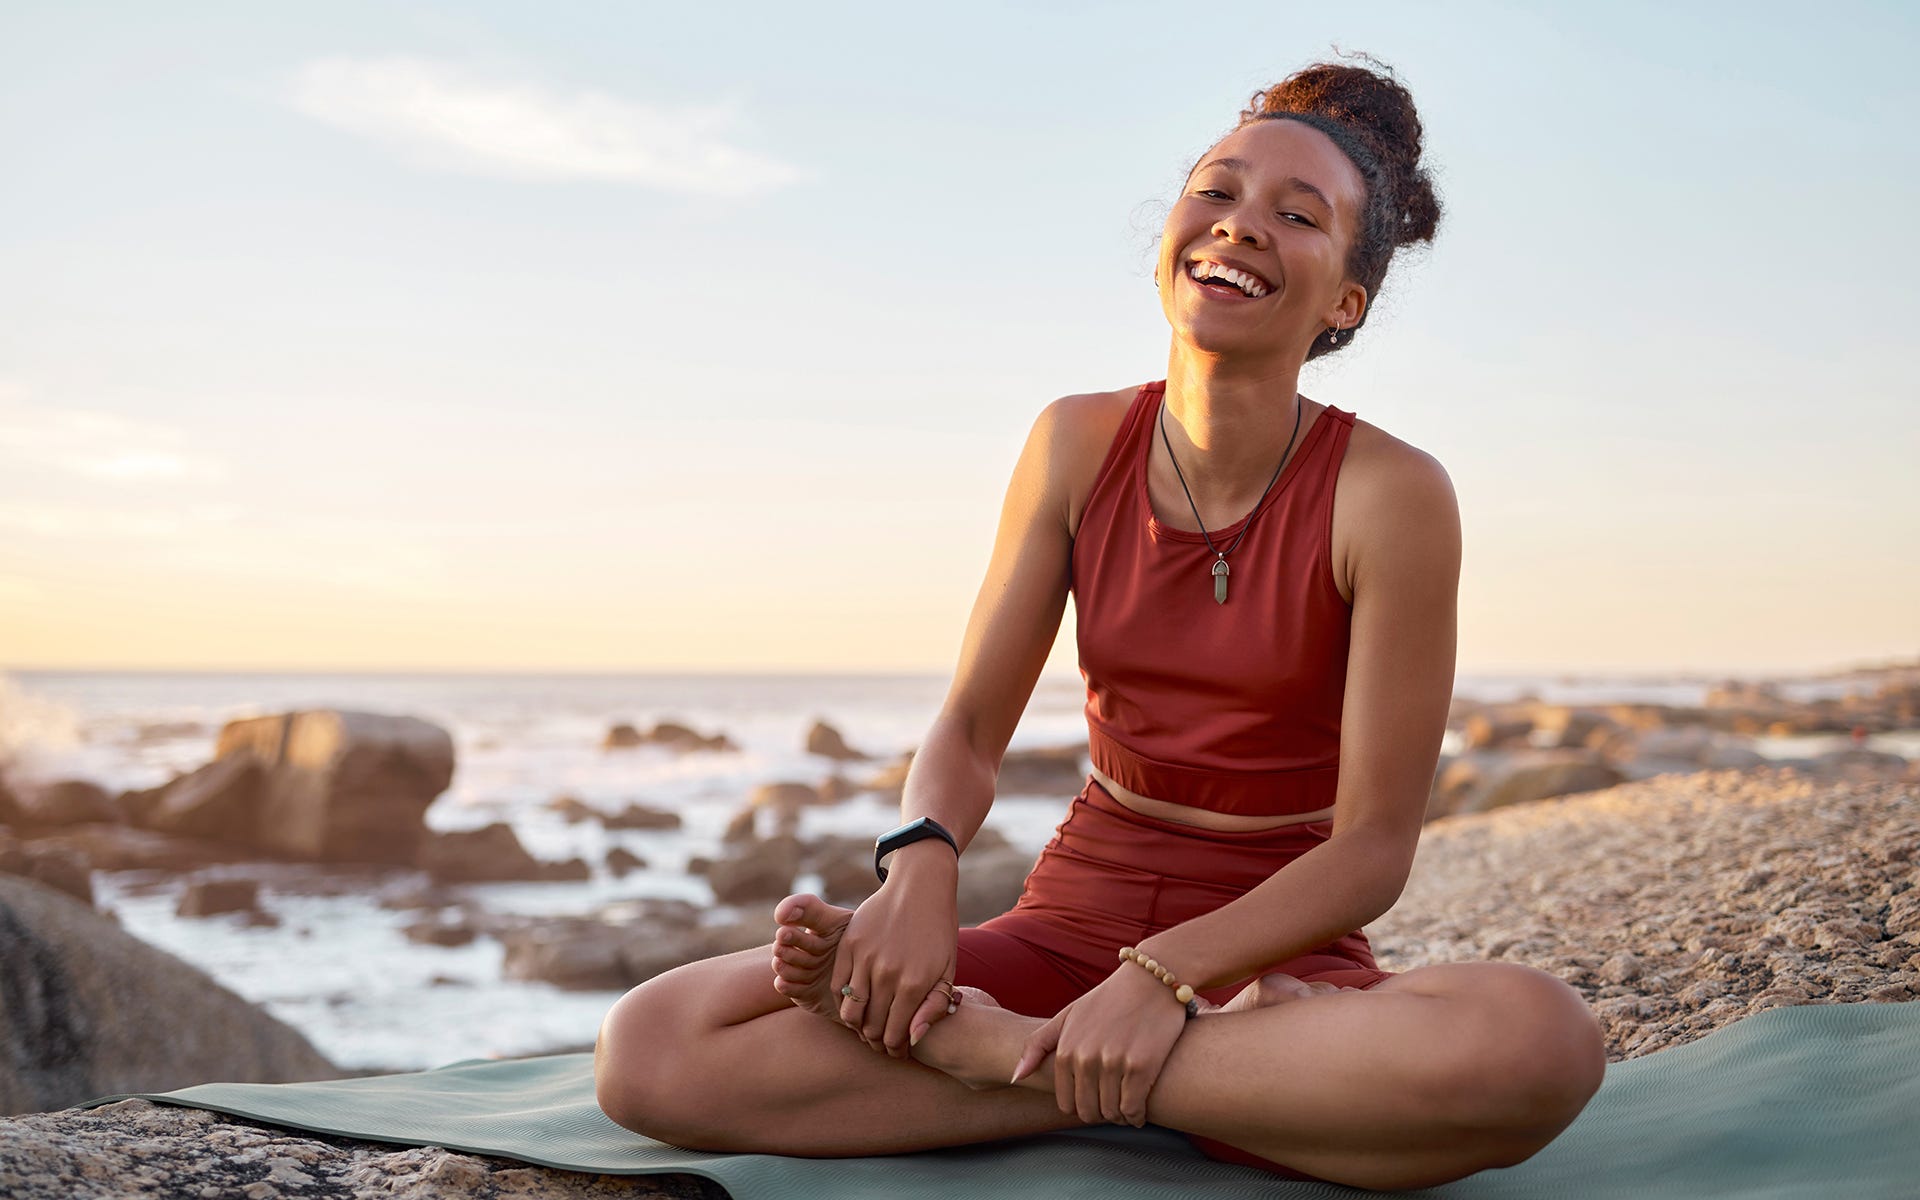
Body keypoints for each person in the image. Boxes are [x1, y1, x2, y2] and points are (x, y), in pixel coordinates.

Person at [593, 52, 1607, 1191]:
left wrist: (1162, 982)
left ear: (1345, 302)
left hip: (1271, 946)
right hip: (1070, 922)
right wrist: (919, 874)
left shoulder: (1393, 493)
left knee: (1537, 1045)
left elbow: (1371, 850)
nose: (1241, 225)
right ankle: (1186, 1084)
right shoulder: (1076, 444)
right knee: (651, 1051)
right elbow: (972, 728)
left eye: (1297, 215)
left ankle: (1003, 1063)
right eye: (1216, 191)